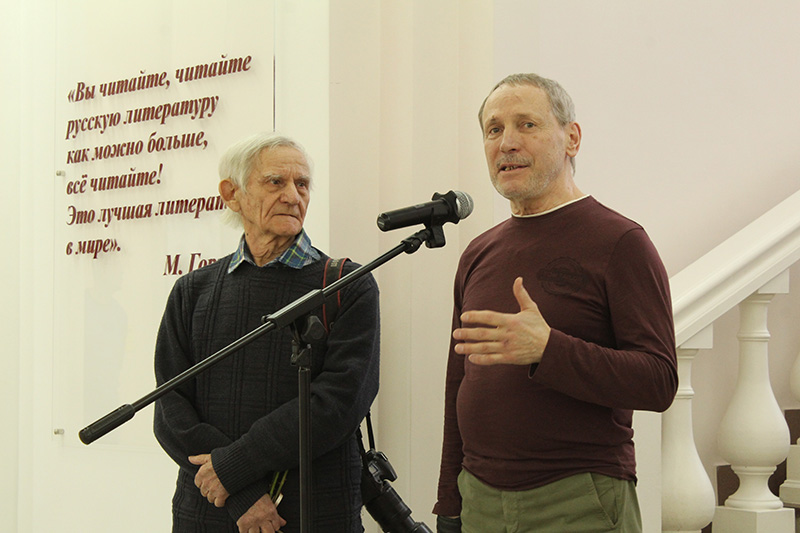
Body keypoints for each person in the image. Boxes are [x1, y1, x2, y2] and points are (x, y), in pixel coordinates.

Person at [433, 73, 678, 532]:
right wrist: (450, 499)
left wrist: (549, 349)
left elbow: (659, 381)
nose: (507, 142)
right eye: (493, 129)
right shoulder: (478, 252)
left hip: (578, 497)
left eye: (527, 124)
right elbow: (457, 383)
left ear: (572, 138)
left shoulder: (621, 241)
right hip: (479, 497)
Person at [154, 132, 380, 533]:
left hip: (313, 512)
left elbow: (338, 404)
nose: (293, 196)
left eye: (302, 184)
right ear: (232, 194)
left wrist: (235, 467)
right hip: (208, 512)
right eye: (276, 182)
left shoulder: (346, 285)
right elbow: (171, 411)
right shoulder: (192, 291)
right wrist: (242, 494)